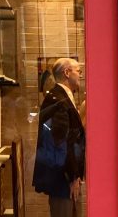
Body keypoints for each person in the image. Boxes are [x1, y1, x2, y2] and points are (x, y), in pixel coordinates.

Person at [33, 58, 86, 217]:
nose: (81, 75)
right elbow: (61, 142)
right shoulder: (58, 99)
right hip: (63, 179)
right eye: (79, 71)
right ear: (67, 72)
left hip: (65, 176)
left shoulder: (61, 96)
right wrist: (72, 176)